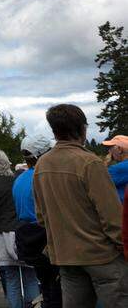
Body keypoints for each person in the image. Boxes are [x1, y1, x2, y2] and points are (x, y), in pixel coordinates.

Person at [33, 103, 128, 307]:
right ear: (82, 129)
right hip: (101, 256)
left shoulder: (42, 164)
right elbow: (111, 215)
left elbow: (41, 216)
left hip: (66, 256)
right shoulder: (89, 162)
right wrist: (122, 245)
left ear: (54, 130)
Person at [0, 148, 40, 308]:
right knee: (30, 276)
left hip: (3, 234)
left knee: (11, 278)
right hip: (25, 231)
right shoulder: (19, 179)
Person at [14, 134, 60, 308]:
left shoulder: (20, 178)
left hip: (27, 239)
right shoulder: (44, 177)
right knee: (57, 290)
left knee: (47, 288)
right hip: (44, 236)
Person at [102, 134, 128, 202]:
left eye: (111, 148)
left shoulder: (117, 169)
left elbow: (97, 182)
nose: (109, 151)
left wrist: (106, 162)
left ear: (119, 149)